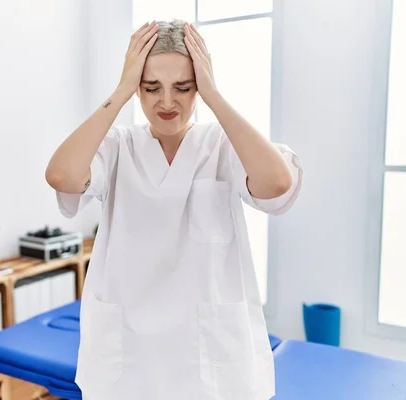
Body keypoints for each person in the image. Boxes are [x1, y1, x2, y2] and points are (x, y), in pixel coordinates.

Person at [45, 19, 303, 400]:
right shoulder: (117, 148)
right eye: (151, 88)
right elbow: (63, 174)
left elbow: (276, 183)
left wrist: (214, 96)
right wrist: (120, 90)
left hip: (207, 359)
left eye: (183, 87)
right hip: (130, 357)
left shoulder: (222, 145)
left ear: (199, 84)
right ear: (137, 88)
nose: (167, 102)